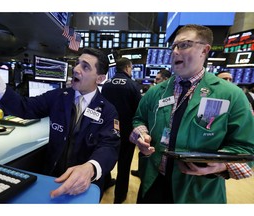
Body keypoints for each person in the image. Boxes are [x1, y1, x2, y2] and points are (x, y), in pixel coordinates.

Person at [0, 36, 120, 199]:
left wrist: (91, 168)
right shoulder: (59, 97)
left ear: (100, 78)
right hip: (52, 180)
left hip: (85, 187)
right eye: (77, 63)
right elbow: (23, 107)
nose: (76, 69)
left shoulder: (108, 110)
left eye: (85, 67)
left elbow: (110, 146)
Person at [129, 24, 254, 203]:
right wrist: (141, 134)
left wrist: (221, 166)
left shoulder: (231, 95)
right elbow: (139, 120)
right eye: (173, 46)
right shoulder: (156, 92)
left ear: (205, 50)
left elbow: (246, 150)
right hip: (153, 183)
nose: (175, 52)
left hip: (199, 190)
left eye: (184, 45)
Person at [102, 57, 142, 203]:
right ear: (127, 68)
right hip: (126, 133)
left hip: (108, 131)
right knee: (124, 166)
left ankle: (105, 183)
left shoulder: (106, 84)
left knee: (105, 160)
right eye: (131, 68)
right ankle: (119, 196)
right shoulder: (133, 85)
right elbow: (140, 110)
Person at [131, 68, 172, 178]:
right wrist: (142, 133)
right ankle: (141, 172)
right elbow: (139, 118)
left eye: (158, 79)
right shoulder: (153, 92)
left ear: (166, 79)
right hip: (153, 150)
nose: (155, 81)